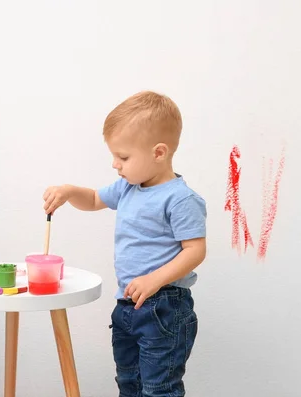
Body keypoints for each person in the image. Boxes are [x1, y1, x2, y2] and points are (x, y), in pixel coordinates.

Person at [42, 91, 207, 397]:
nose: (115, 164)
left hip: (164, 306)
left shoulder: (180, 199)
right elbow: (92, 199)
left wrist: (154, 280)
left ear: (159, 153)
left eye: (124, 157)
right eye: (114, 155)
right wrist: (68, 192)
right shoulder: (128, 187)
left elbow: (195, 250)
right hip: (128, 305)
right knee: (129, 383)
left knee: (160, 388)